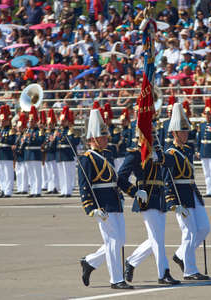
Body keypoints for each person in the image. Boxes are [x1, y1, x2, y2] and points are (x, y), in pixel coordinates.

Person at [78, 109, 136, 290]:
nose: (105, 139)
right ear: (92, 139)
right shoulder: (87, 158)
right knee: (112, 241)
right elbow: (84, 186)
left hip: (115, 202)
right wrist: (91, 208)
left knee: (119, 241)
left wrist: (134, 191)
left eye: (105, 136)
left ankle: (89, 262)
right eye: (101, 137)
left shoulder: (107, 154)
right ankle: (116, 279)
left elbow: (116, 179)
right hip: (102, 205)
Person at [118, 129, 180, 285]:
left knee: (156, 237)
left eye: (154, 135)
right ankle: (163, 273)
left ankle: (132, 261)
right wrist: (134, 191)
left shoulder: (158, 152)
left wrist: (159, 156)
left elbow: (172, 162)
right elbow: (120, 177)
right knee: (157, 238)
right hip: (146, 197)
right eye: (149, 135)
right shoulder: (134, 154)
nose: (153, 137)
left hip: (159, 198)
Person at [165, 103, 210, 280]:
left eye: (186, 131)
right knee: (189, 232)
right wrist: (173, 203)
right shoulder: (170, 153)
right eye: (183, 132)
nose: (186, 134)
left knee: (204, 228)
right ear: (175, 133)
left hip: (192, 192)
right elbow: (167, 180)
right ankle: (190, 270)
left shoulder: (188, 150)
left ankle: (180, 254)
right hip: (180, 195)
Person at [52, 106, 79, 197]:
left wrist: (63, 136)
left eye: (63, 121)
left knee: (67, 174)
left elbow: (74, 142)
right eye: (61, 121)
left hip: (67, 154)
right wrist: (54, 138)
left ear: (67, 121)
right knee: (61, 174)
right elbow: (55, 143)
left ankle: (67, 191)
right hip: (59, 154)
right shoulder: (59, 131)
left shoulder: (70, 131)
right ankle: (63, 190)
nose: (62, 123)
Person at [196, 98, 211, 197]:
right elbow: (199, 139)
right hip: (204, 151)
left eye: (209, 114)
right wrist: (198, 150)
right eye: (206, 114)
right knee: (207, 173)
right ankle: (209, 190)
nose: (207, 116)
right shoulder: (202, 125)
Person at [23, 106, 45, 197]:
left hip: (35, 154)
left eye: (32, 121)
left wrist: (30, 138)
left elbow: (40, 140)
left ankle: (37, 191)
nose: (30, 123)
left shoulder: (39, 131)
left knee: (37, 173)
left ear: (36, 122)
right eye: (29, 121)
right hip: (28, 154)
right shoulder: (27, 131)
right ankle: (32, 191)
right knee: (31, 174)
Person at [0, 105, 16, 198]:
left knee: (8, 173)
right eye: (1, 121)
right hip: (0, 153)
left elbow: (11, 140)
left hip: (7, 153)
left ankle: (8, 191)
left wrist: (1, 138)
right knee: (1, 173)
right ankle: (3, 189)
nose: (2, 122)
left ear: (8, 121)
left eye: (3, 121)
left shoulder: (10, 130)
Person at [43, 109, 59, 194]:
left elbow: (55, 143)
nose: (49, 126)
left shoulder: (55, 132)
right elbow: (45, 142)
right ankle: (50, 187)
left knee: (54, 172)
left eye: (50, 124)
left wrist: (52, 141)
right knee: (49, 172)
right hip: (48, 154)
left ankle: (55, 187)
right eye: (48, 124)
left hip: (53, 154)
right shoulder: (47, 133)